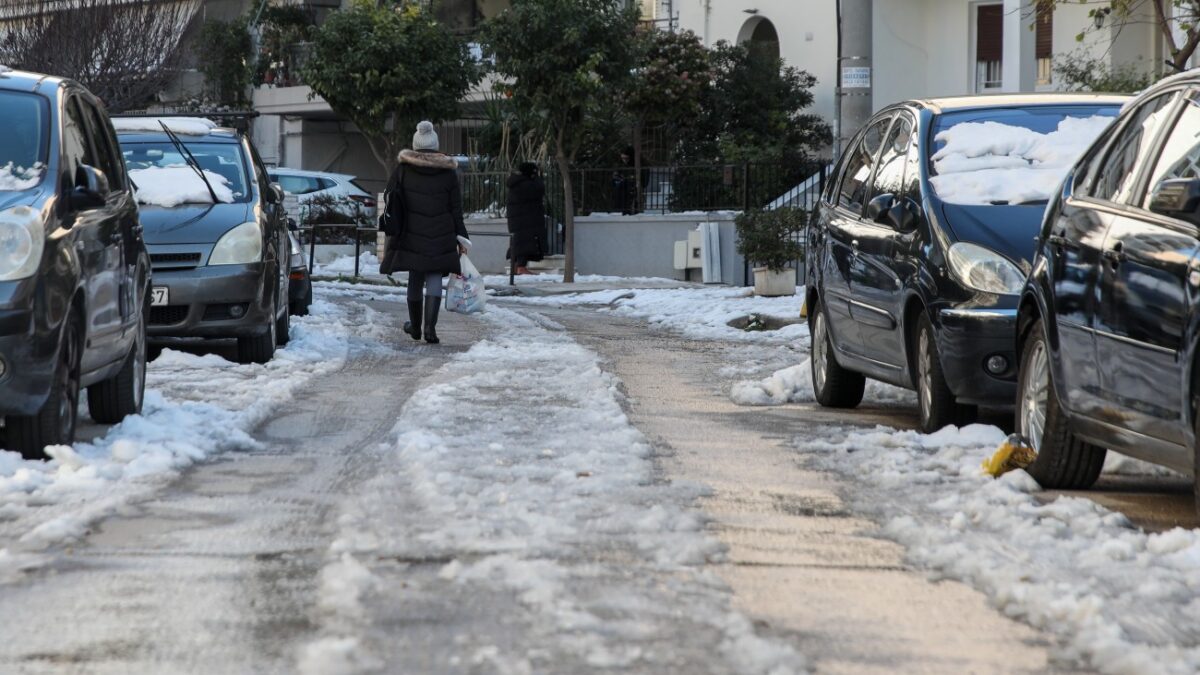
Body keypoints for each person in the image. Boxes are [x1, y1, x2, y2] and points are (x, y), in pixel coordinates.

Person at [381, 121, 468, 345]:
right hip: (442, 233)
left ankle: (415, 327)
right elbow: (456, 208)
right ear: (435, 144)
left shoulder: (403, 170)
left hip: (411, 233)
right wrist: (461, 236)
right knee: (434, 276)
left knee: (415, 276)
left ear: (416, 144)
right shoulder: (448, 173)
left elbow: (390, 198)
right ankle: (430, 329)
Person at [506, 162, 545, 275]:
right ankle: (521, 267)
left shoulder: (516, 183)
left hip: (517, 218)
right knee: (524, 242)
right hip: (525, 218)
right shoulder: (526, 185)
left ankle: (515, 267)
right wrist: (538, 177)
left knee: (518, 242)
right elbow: (539, 189)